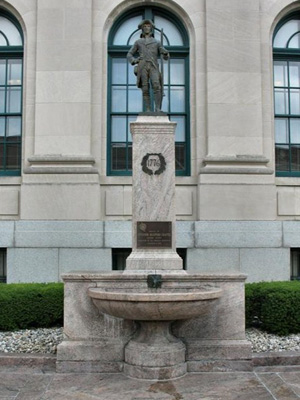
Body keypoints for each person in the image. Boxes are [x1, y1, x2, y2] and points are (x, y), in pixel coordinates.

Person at [127, 19, 169, 112]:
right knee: (145, 88)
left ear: (151, 28)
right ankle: (148, 109)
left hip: (153, 65)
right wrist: (134, 60)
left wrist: (165, 53)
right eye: (145, 26)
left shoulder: (157, 42)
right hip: (143, 66)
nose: (146, 28)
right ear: (142, 28)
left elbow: (165, 56)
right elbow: (129, 54)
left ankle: (158, 108)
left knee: (156, 85)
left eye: (148, 26)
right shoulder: (138, 42)